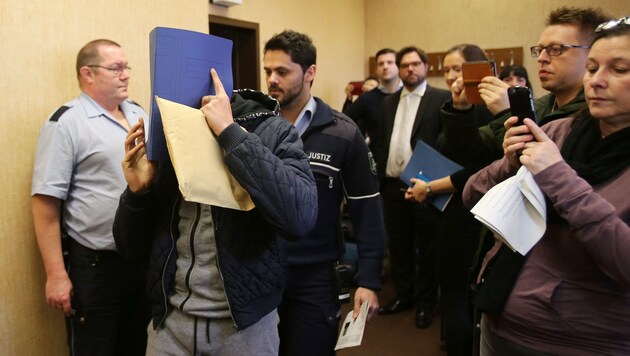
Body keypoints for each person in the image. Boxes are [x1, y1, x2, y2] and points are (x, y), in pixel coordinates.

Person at [112, 69, 318, 355]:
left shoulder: (272, 130)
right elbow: (130, 248)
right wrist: (138, 193)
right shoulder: (169, 133)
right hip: (170, 324)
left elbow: (300, 217)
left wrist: (230, 133)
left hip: (244, 328)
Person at [463, 17, 630, 354]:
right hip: (501, 319)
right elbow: (472, 197)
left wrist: (557, 176)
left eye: (619, 69)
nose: (596, 81)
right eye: (593, 68)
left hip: (582, 340)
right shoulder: (558, 131)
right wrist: (509, 164)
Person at [263, 30, 385, 356]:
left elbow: (367, 210)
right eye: (268, 72)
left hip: (314, 277)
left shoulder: (343, 133)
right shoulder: (253, 128)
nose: (272, 80)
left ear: (310, 73)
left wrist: (369, 280)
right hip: (259, 271)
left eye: (282, 72)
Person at [31, 39, 150, 355]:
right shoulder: (66, 122)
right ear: (88, 73)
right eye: (116, 68)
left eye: (126, 67)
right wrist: (56, 275)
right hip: (96, 268)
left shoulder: (139, 113)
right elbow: (45, 202)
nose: (125, 74)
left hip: (141, 261)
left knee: (137, 346)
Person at [405, 44, 493, 355]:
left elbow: (474, 170)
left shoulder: (481, 108)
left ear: (478, 70)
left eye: (459, 69)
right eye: (448, 70)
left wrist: (429, 188)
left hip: (470, 214)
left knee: (458, 293)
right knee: (452, 290)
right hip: (450, 211)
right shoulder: (456, 105)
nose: (452, 76)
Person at [443, 6, 610, 166]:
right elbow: (475, 154)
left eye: (556, 49)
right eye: (540, 50)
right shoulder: (539, 105)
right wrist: (460, 110)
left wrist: (507, 113)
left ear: (592, 54)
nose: (541, 58)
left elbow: (537, 170)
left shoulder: (598, 114)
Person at [375, 46, 451, 329]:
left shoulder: (440, 99)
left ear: (426, 67)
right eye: (404, 65)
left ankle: (426, 303)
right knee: (399, 245)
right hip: (392, 184)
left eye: (415, 64)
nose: (410, 69)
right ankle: (404, 295)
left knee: (427, 247)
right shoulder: (388, 102)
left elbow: (445, 141)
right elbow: (383, 139)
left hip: (424, 184)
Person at [344, 48, 402, 148]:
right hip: (377, 158)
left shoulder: (409, 95)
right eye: (381, 63)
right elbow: (344, 121)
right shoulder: (367, 98)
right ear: (376, 70)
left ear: (398, 66)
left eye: (390, 62)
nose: (385, 66)